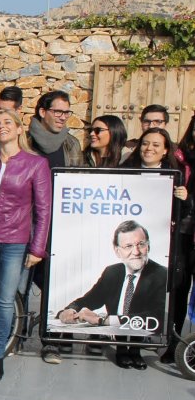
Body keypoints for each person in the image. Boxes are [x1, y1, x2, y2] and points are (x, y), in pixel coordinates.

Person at [0, 109, 51, 381]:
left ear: (18, 129)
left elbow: (43, 209)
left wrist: (38, 248)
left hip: (15, 241)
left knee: (5, 301)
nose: (1, 127)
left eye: (7, 123)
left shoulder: (36, 164)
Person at [56, 220, 168, 370]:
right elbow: (91, 299)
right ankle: (121, 350)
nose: (136, 251)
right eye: (128, 246)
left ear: (148, 245)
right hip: (118, 336)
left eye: (141, 244)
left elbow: (155, 314)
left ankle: (135, 351)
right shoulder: (112, 272)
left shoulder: (160, 274)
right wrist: (72, 308)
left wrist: (103, 320)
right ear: (117, 251)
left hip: (139, 335)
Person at [122, 127, 192, 363]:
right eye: (145, 143)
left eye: (155, 145)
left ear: (164, 151)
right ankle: (123, 348)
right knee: (127, 291)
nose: (148, 149)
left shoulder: (174, 177)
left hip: (158, 247)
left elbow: (181, 215)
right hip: (128, 244)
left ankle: (137, 348)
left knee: (146, 293)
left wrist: (185, 199)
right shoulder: (125, 172)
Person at [29, 90, 84, 364]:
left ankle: (52, 341)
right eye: (58, 111)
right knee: (20, 283)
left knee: (56, 284)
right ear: (42, 111)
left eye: (66, 112)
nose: (63, 117)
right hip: (24, 221)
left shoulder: (71, 145)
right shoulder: (24, 140)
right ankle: (13, 336)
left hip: (58, 225)